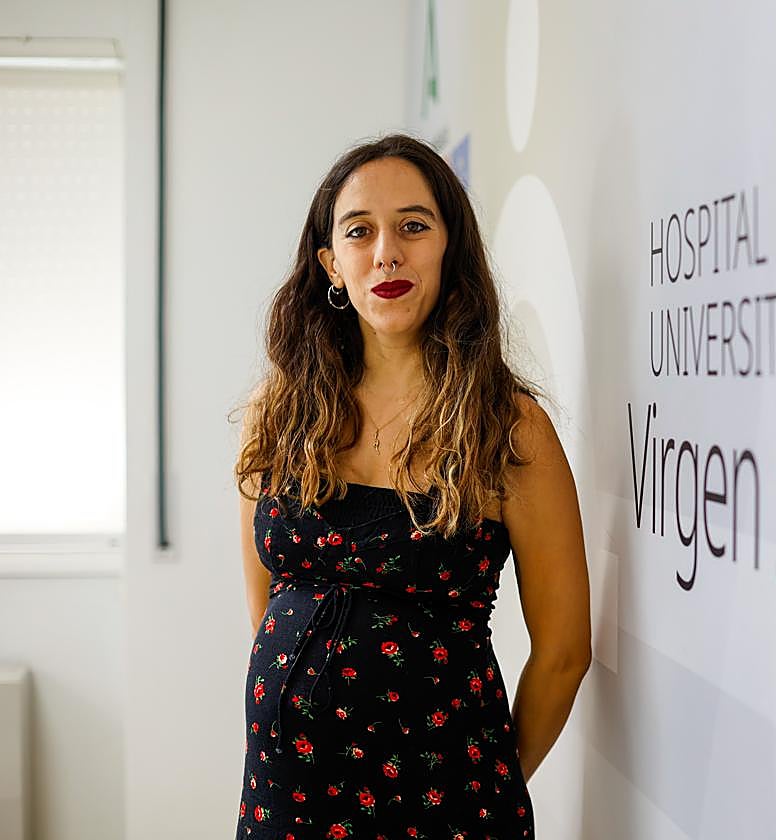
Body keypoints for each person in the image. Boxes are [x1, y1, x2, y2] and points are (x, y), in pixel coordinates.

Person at [232, 133, 591, 839]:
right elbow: (269, 613)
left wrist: (479, 783)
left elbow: (564, 654)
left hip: (449, 810)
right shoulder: (275, 416)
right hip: (288, 803)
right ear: (331, 264)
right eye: (359, 232)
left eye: (413, 226)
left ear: (449, 248)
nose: (386, 252)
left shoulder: (508, 429)